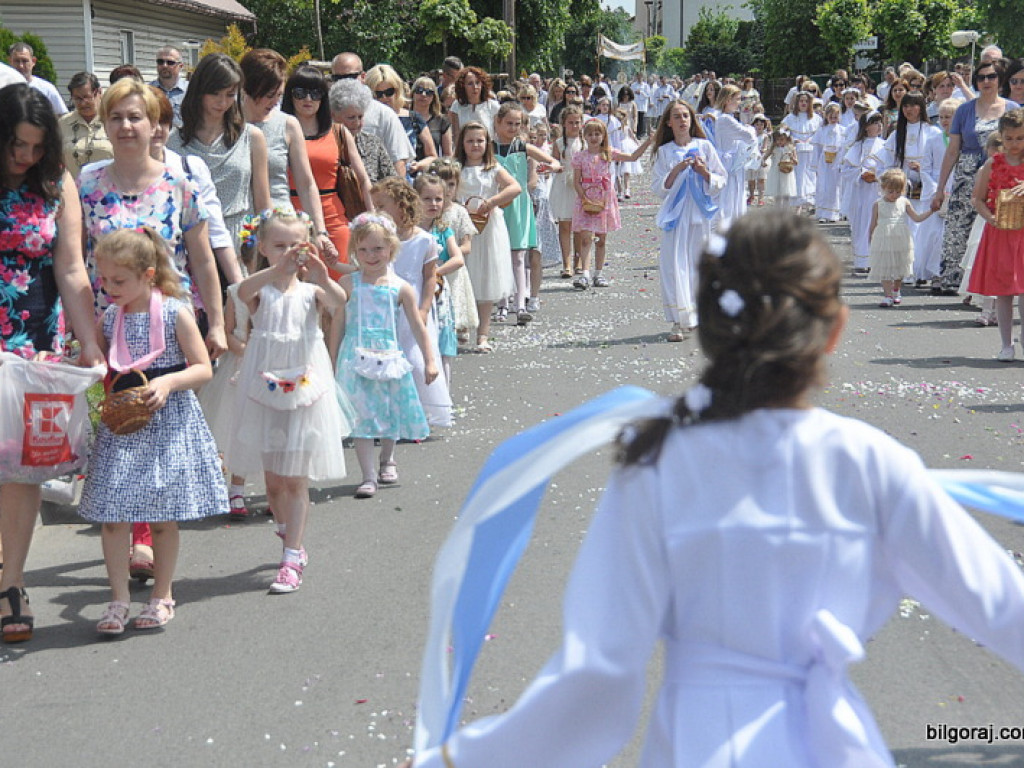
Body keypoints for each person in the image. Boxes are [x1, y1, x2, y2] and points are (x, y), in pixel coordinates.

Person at [403, 208, 1024, 768]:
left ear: (709, 325)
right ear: (834, 330)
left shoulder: (659, 460)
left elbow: (599, 675)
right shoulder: (872, 463)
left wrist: (460, 760)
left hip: (697, 742)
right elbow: (1002, 606)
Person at [82, 228, 227, 634]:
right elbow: (94, 362)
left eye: (118, 280)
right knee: (113, 514)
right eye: (104, 279)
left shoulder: (175, 312)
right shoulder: (111, 317)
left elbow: (203, 369)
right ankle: (118, 599)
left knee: (163, 516)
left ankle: (162, 595)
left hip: (168, 421)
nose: (109, 288)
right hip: (123, 424)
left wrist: (168, 382)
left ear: (148, 275)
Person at [0, 83, 103, 643]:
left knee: (19, 465)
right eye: (17, 144)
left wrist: (90, 343)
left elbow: (70, 268)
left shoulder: (56, 180)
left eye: (38, 146)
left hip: (33, 343)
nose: (26, 156)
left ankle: (11, 584)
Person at [225, 208, 351, 592]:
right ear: (262, 247)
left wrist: (322, 275)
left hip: (304, 388)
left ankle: (292, 556)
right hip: (264, 388)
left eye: (295, 244)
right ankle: (285, 530)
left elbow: (339, 300)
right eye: (278, 245)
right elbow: (241, 292)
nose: (288, 252)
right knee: (274, 481)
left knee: (295, 478)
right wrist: (274, 270)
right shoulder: (260, 290)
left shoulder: (311, 291)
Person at [79, 77, 229, 359]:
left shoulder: (180, 185)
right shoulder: (87, 186)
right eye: (116, 118)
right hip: (108, 329)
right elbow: (76, 261)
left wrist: (217, 324)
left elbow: (203, 260)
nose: (125, 126)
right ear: (105, 125)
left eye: (135, 117)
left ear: (153, 125)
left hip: (172, 328)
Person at [333, 213, 437, 498]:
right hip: (354, 357)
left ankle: (387, 458)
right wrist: (331, 361)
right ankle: (368, 476)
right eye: (363, 249)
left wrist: (429, 360)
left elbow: (417, 325)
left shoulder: (400, 287)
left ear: (391, 248)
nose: (371, 256)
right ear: (355, 251)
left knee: (389, 411)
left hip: (388, 354)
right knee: (360, 417)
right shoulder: (348, 284)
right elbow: (337, 324)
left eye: (378, 248)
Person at [167, 52, 272, 265]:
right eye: (215, 93)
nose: (222, 102)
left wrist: (268, 246)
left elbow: (262, 201)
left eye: (230, 94)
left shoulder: (252, 137)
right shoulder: (173, 141)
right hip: (191, 242)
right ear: (200, 90)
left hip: (240, 241)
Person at [931, 60, 1019, 294]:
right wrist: (940, 188)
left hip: (1002, 174)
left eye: (991, 77)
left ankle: (995, 280)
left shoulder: (1012, 108)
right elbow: (952, 150)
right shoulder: (965, 110)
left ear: (1000, 79)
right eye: (981, 78)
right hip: (967, 173)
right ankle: (954, 279)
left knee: (995, 227)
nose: (986, 81)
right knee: (958, 227)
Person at [240, 49, 335, 263]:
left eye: (279, 95)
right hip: (241, 226)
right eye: (269, 95)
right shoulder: (230, 124)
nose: (275, 101)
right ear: (249, 89)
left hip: (281, 230)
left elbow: (306, 184)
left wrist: (319, 231)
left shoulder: (288, 124)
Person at [371, 177, 452, 426]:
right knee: (387, 359)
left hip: (415, 306)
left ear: (400, 205)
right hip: (385, 306)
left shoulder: (424, 240)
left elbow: (429, 277)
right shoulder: (379, 239)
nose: (376, 211)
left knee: (416, 359)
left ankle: (423, 411)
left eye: (381, 205)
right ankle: (390, 413)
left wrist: (425, 308)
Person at [281, 65, 372, 267]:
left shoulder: (338, 132)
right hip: (288, 218)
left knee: (342, 279)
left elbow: (364, 180)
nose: (308, 99)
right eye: (300, 92)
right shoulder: (278, 131)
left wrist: (374, 218)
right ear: (290, 95)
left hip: (333, 217)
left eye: (316, 93)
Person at [650, 99, 726, 341]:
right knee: (674, 265)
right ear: (668, 123)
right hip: (676, 216)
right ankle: (678, 320)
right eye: (677, 116)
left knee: (700, 264)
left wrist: (703, 172)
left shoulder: (704, 146)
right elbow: (658, 187)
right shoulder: (665, 152)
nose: (682, 120)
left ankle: (700, 315)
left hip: (700, 215)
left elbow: (721, 178)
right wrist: (677, 169)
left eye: (685, 116)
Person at [455, 121, 520, 352]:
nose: (475, 145)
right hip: (463, 227)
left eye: (480, 141)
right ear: (462, 143)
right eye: (470, 141)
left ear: (487, 143)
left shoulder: (492, 168)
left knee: (486, 279)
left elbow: (514, 187)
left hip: (489, 228)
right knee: (464, 276)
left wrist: (492, 202)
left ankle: (483, 334)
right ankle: (462, 324)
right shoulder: (456, 168)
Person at [967, 108, 1024, 360]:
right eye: (1009, 138)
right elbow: (978, 199)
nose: (1015, 144)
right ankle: (1006, 344)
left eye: (1020, 138)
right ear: (1001, 136)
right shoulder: (993, 164)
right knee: (1004, 292)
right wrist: (989, 217)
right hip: (1001, 234)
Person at [492, 102, 558, 318]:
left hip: (519, 205)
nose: (513, 128)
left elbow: (553, 161)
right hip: (497, 205)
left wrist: (551, 166)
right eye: (509, 123)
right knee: (499, 255)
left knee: (519, 256)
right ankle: (502, 302)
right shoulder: (489, 148)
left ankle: (520, 304)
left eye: (517, 124)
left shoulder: (522, 147)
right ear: (498, 122)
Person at [571, 117, 649, 290]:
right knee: (585, 238)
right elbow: (576, 181)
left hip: (604, 197)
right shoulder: (580, 156)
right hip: (586, 197)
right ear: (584, 136)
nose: (593, 137)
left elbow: (633, 157)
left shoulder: (608, 153)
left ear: (603, 136)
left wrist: (648, 142)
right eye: (590, 134)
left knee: (601, 239)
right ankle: (585, 274)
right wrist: (584, 198)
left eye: (597, 134)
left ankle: (598, 273)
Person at [330, 53, 415, 179]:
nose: (345, 83)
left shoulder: (384, 114)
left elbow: (398, 162)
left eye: (350, 77)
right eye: (338, 78)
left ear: (363, 76)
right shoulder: (322, 112)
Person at [416, 173, 464, 386]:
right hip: (415, 290)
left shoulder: (443, 230)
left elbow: (458, 258)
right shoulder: (409, 230)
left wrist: (436, 272)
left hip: (438, 292)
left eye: (438, 199)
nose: (433, 204)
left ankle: (444, 390)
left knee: (443, 341)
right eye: (427, 199)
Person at [869, 168, 934, 306]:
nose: (894, 195)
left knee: (899, 266)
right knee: (885, 267)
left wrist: (931, 211)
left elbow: (916, 218)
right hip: (883, 238)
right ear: (883, 188)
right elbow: (873, 224)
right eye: (890, 191)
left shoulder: (904, 202)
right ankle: (887, 295)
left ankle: (896, 290)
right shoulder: (878, 204)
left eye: (898, 192)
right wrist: (871, 239)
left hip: (900, 238)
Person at [366, 65, 437, 176]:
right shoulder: (365, 121)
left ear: (397, 90)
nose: (384, 98)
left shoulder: (413, 118)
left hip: (409, 179)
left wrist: (418, 165)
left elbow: (432, 156)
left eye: (389, 92)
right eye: (378, 94)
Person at [706, 85, 757, 228]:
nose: (739, 102)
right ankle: (727, 223)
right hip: (728, 161)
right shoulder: (725, 119)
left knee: (735, 191)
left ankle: (733, 222)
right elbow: (748, 136)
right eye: (737, 99)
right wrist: (750, 128)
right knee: (729, 193)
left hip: (733, 159)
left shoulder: (727, 118)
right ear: (728, 100)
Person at [842, 111, 886, 274]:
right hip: (861, 192)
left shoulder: (885, 145)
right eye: (875, 123)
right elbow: (846, 170)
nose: (879, 126)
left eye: (880, 122)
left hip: (878, 191)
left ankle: (877, 260)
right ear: (866, 127)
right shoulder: (857, 147)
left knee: (878, 223)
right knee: (861, 223)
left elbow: (890, 167)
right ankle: (862, 260)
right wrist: (861, 174)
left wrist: (878, 175)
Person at [330, 78, 397, 184]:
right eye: (351, 117)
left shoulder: (372, 143)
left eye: (360, 117)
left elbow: (393, 181)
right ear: (333, 115)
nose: (357, 123)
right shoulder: (325, 144)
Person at [58, 71, 113, 179]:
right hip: (72, 187)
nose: (83, 103)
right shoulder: (63, 124)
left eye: (87, 97)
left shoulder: (112, 120)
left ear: (99, 92)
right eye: (77, 99)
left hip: (109, 187)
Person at [551, 106, 584, 279]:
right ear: (564, 124)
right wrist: (554, 167)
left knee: (579, 226)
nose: (574, 126)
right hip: (564, 185)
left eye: (577, 122)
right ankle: (567, 264)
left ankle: (579, 261)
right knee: (565, 225)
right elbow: (554, 162)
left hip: (581, 185)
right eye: (570, 123)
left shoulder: (585, 142)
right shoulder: (559, 143)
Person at [781, 92, 823, 212]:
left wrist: (811, 139)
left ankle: (810, 201)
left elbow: (820, 132)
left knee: (810, 175)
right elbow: (783, 131)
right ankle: (797, 204)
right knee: (797, 176)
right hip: (796, 151)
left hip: (811, 151)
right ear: (797, 103)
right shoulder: (790, 118)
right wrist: (793, 139)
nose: (804, 103)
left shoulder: (816, 118)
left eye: (806, 101)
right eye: (801, 101)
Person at [8, 42, 66, 116]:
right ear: (10, 61)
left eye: (25, 61)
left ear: (33, 61)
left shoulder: (47, 89)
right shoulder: (3, 86)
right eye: (17, 61)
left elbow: (62, 116)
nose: (21, 66)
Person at [810, 103, 844, 222]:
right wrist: (815, 166)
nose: (833, 119)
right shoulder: (821, 130)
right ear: (826, 116)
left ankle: (834, 213)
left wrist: (841, 161)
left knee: (835, 187)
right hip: (824, 163)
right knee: (823, 186)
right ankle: (822, 213)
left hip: (836, 161)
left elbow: (844, 147)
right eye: (831, 116)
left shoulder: (842, 130)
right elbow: (817, 148)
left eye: (835, 116)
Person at [449, 66, 501, 140]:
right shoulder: (456, 106)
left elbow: (499, 135)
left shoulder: (493, 106)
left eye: (477, 82)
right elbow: (456, 136)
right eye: (470, 83)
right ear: (463, 86)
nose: (475, 87)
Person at [411, 76, 452, 159]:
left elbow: (447, 154)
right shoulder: (403, 117)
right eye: (419, 90)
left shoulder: (441, 121)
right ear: (412, 94)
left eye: (429, 92)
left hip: (432, 165)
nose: (423, 95)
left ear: (434, 97)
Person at [150, 45, 188, 127]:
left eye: (170, 62)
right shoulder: (147, 91)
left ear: (180, 66)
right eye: (160, 61)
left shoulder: (190, 90)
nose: (164, 65)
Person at [765, 127, 797, 208]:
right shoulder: (774, 148)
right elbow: (765, 156)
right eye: (777, 140)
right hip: (776, 171)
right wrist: (763, 162)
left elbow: (796, 162)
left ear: (786, 139)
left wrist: (792, 157)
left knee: (786, 191)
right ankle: (778, 209)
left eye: (782, 139)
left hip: (786, 172)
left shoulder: (790, 148)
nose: (779, 141)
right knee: (777, 192)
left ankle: (786, 209)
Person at [746, 114, 772, 206]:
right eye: (757, 124)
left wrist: (762, 151)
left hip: (761, 159)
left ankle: (761, 197)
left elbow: (764, 147)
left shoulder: (765, 136)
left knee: (761, 179)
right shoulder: (751, 136)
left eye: (761, 124)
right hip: (751, 159)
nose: (759, 127)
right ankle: (751, 195)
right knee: (751, 179)